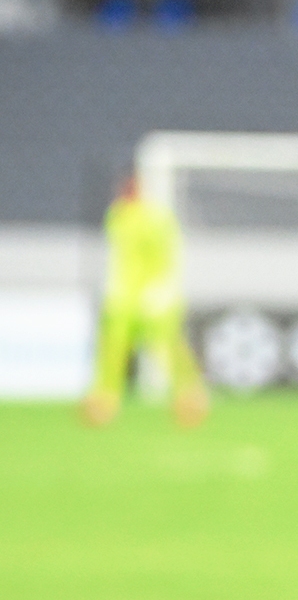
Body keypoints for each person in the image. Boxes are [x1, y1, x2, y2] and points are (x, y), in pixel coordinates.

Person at [80, 173, 209, 428]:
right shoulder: (117, 216)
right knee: (112, 349)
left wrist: (160, 288)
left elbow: (164, 255)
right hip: (123, 298)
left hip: (152, 297)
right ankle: (104, 401)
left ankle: (190, 398)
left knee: (167, 349)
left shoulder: (156, 218)